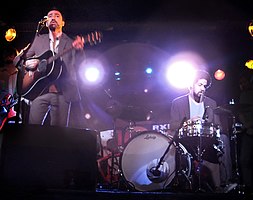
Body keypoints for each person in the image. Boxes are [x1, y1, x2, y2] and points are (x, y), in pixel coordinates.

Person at [18, 7, 85, 127]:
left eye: (57, 15)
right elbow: (19, 60)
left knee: (58, 133)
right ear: (46, 21)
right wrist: (29, 64)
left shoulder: (71, 42)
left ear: (63, 23)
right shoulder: (38, 40)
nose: (53, 17)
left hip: (62, 92)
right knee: (33, 130)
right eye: (50, 15)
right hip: (40, 91)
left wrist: (80, 51)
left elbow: (81, 66)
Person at [169, 69, 233, 193]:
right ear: (191, 85)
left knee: (224, 138)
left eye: (205, 86)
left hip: (206, 139)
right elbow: (173, 125)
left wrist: (211, 126)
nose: (203, 88)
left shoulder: (211, 103)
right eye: (200, 85)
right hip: (185, 140)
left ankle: (225, 183)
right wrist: (188, 121)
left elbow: (218, 125)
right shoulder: (178, 102)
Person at [238, 69, 253, 193]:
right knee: (244, 160)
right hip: (248, 133)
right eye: (241, 83)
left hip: (249, 129)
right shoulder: (243, 95)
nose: (242, 85)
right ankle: (248, 186)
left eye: (244, 82)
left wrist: (248, 124)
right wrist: (245, 123)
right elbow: (241, 111)